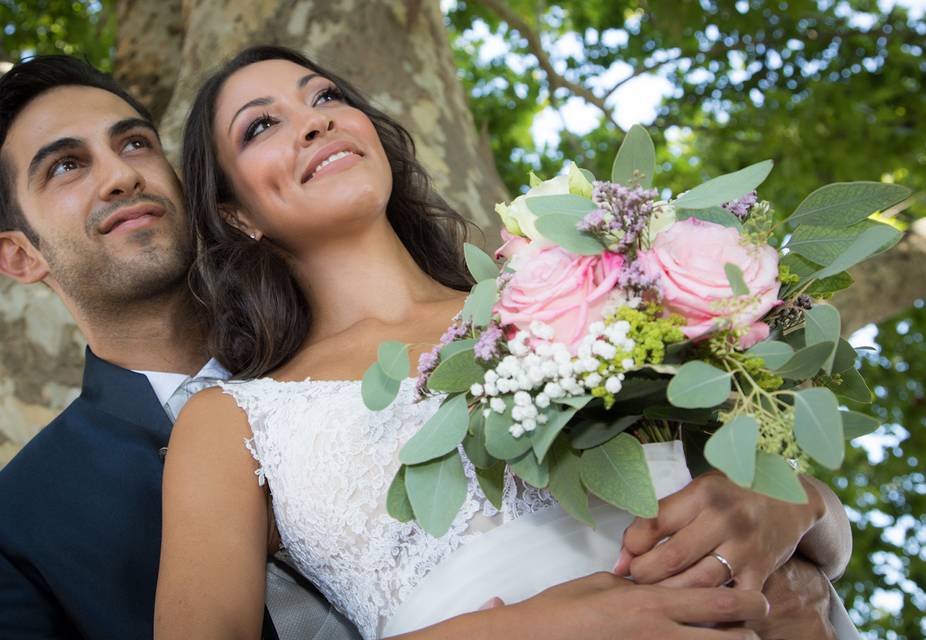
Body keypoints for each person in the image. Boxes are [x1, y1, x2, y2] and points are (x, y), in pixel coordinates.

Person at [155, 45, 853, 640]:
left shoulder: (588, 282)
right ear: (235, 214)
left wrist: (797, 504)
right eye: (264, 125)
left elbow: (808, 515)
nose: (314, 121)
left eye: (326, 96)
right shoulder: (233, 420)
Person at [0, 55, 360, 640]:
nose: (121, 175)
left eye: (136, 143)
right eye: (66, 165)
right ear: (20, 255)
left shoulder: (351, 344)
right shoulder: (17, 526)